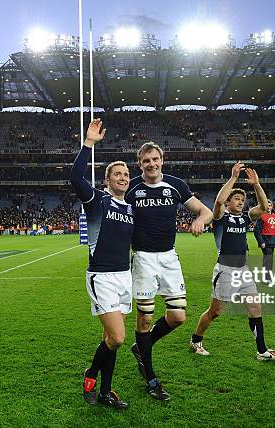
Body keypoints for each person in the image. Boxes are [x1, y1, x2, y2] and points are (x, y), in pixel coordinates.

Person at [125, 141, 213, 401]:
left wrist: (199, 219)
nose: (151, 164)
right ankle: (151, 379)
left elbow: (205, 211)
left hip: (169, 259)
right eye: (145, 161)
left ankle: (142, 347)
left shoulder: (175, 185)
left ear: (162, 159)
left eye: (155, 159)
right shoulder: (131, 188)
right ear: (139, 164)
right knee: (145, 319)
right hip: (142, 258)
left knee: (177, 317)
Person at [190, 163, 275, 362]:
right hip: (224, 270)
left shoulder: (245, 218)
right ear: (229, 202)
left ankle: (262, 351)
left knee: (255, 309)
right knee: (215, 312)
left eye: (243, 199)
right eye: (237, 199)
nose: (241, 202)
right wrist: (233, 179)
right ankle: (195, 339)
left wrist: (257, 185)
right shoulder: (220, 218)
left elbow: (263, 207)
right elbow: (218, 202)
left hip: (243, 270)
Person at [70, 119, 132, 410]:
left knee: (109, 337)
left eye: (126, 174)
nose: (123, 177)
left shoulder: (130, 208)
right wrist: (89, 144)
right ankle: (91, 374)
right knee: (118, 337)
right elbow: (75, 178)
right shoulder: (97, 200)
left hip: (125, 276)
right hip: (102, 277)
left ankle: (105, 392)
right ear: (107, 180)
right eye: (117, 174)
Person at [254, 199, 275, 284]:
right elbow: (257, 230)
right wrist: (261, 242)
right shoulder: (261, 216)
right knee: (268, 259)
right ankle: (267, 279)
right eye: (266, 205)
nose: (268, 207)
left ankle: (267, 278)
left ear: (272, 206)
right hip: (265, 240)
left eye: (269, 205)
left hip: (273, 240)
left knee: (269, 259)